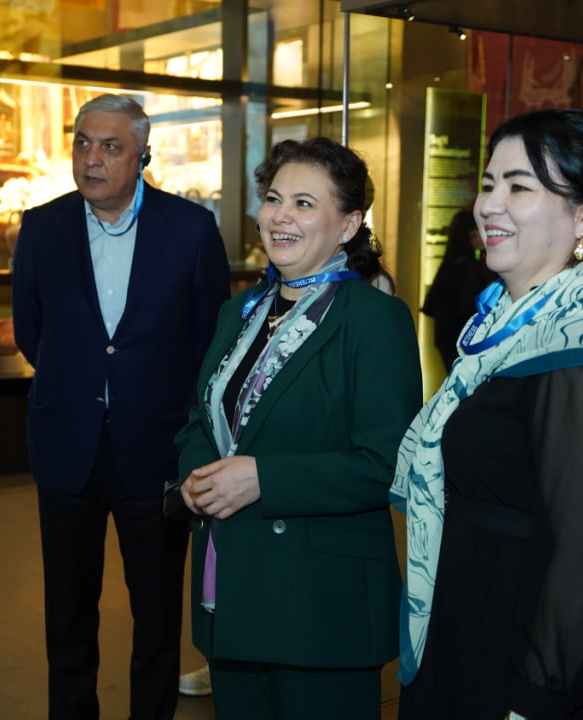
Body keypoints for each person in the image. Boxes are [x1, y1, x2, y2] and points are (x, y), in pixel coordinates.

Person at [393, 108, 583, 720]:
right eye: (489, 184)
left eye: (520, 187)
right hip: (469, 620)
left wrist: (536, 699)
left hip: (529, 653)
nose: (490, 206)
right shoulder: (505, 327)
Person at [174, 136, 422, 719]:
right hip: (234, 589)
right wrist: (195, 476)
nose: (280, 216)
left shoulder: (374, 319)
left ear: (348, 225)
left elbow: (388, 462)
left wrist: (264, 478)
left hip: (319, 603)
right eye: (274, 199)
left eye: (304, 204)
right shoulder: (238, 311)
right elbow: (200, 421)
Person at [11, 93, 229, 720]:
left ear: (143, 156)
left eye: (110, 146)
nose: (92, 158)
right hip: (66, 446)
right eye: (82, 143)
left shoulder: (190, 230)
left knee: (156, 613)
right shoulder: (42, 227)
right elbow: (31, 332)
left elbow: (208, 345)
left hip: (155, 450)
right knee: (67, 612)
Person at [420, 205, 494, 368]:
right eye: (478, 231)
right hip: (461, 343)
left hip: (448, 341)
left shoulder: (451, 264)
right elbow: (467, 310)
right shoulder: (468, 268)